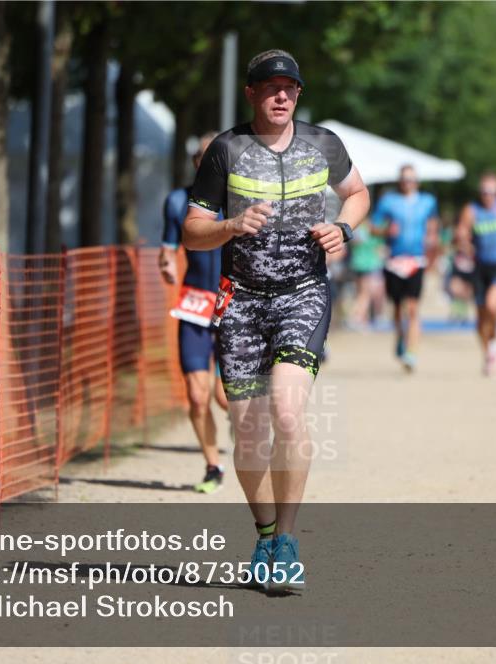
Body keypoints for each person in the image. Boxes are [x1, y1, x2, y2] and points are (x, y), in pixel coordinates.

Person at [183, 49, 369, 592]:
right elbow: (193, 229)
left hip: (302, 295)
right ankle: (264, 534)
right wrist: (231, 225)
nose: (281, 96)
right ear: (251, 94)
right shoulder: (226, 150)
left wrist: (344, 229)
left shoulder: (324, 144)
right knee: (248, 429)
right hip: (240, 301)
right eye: (270, 87)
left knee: (287, 410)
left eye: (290, 87)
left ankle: (286, 540)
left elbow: (356, 194)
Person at [159, 133, 230, 493]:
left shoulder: (239, 201)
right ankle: (213, 466)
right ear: (195, 162)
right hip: (194, 304)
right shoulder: (176, 201)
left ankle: (252, 430)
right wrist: (168, 264)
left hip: (233, 302)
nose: (213, 161)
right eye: (206, 155)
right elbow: (168, 249)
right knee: (198, 396)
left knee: (223, 396)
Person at [372, 164, 439, 371]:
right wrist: (385, 231)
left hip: (416, 260)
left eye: (411, 179)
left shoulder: (428, 201)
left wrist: (433, 250)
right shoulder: (388, 201)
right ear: (399, 181)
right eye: (404, 179)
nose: (407, 182)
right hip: (394, 261)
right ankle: (400, 337)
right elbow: (373, 227)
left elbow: (433, 227)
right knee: (399, 308)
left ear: (416, 181)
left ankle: (411, 352)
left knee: (413, 308)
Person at [457, 171, 496, 375]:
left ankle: (495, 342)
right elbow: (462, 232)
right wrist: (464, 242)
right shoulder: (472, 210)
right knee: (480, 320)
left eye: (492, 192)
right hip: (480, 266)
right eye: (484, 192)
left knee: (493, 305)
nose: (487, 195)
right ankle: (489, 354)